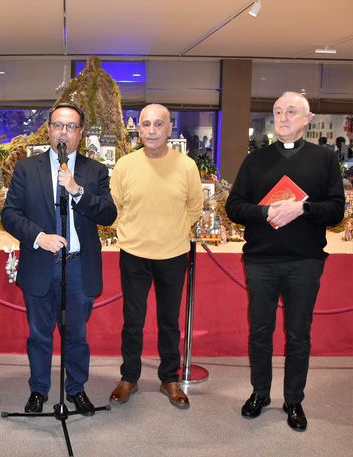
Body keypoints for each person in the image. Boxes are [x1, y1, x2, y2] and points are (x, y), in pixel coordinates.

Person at [225, 92, 345, 431]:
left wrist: (302, 208)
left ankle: (293, 400)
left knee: (298, 334)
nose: (283, 117)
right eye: (278, 111)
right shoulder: (255, 160)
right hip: (261, 261)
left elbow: (337, 210)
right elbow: (234, 207)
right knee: (260, 332)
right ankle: (260, 393)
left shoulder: (324, 159)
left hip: (305, 261)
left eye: (291, 111)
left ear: (307, 119)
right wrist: (265, 212)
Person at [1, 103, 117, 415]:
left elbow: (109, 214)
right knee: (39, 336)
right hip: (40, 263)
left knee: (76, 336)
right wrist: (40, 237)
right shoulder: (27, 168)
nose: (63, 132)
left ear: (80, 133)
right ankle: (38, 390)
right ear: (49, 130)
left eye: (70, 126)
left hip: (78, 266)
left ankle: (76, 389)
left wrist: (77, 191)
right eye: (58, 125)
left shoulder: (95, 171)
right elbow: (9, 214)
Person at [108, 103, 203, 409]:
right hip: (133, 253)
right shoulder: (125, 165)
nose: (151, 130)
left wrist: (174, 231)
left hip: (173, 254)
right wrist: (132, 230)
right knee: (132, 320)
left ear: (169, 128)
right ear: (139, 129)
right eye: (146, 124)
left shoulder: (186, 166)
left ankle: (169, 378)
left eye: (158, 124)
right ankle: (129, 377)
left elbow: (195, 207)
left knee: (169, 321)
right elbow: (114, 207)